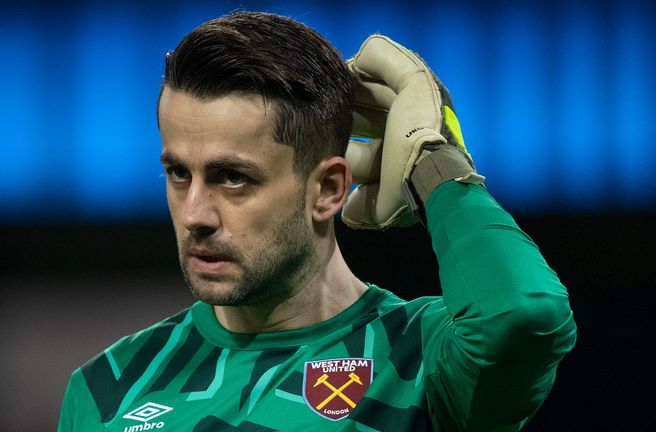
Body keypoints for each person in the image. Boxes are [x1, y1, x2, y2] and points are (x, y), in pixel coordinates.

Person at [58, 11, 576, 432]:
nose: (194, 214)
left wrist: (436, 165)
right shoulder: (108, 389)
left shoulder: (420, 360)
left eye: (233, 178)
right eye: (178, 173)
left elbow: (525, 316)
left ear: (328, 189)